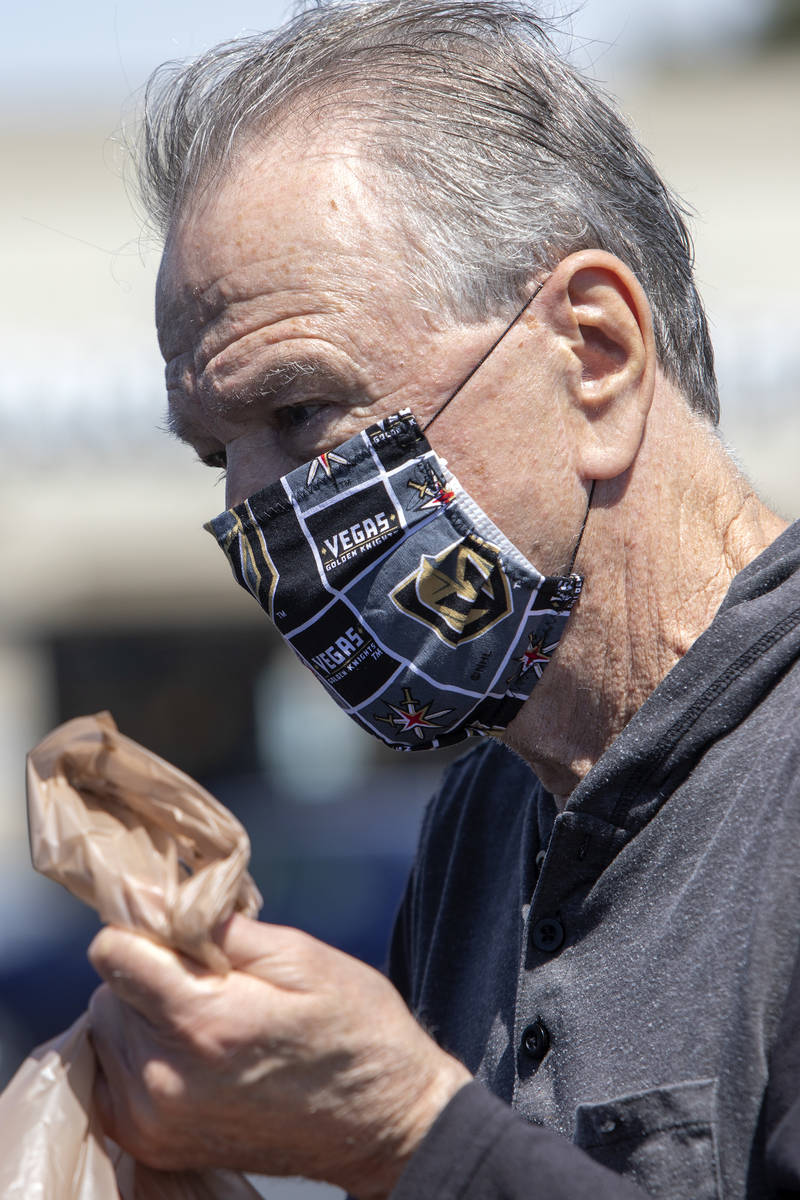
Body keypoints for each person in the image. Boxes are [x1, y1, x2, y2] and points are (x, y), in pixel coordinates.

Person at [87, 2, 800, 1197]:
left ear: (593, 352)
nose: (265, 517)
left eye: (300, 411)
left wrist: (407, 1133)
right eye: (220, 460)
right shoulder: (485, 821)